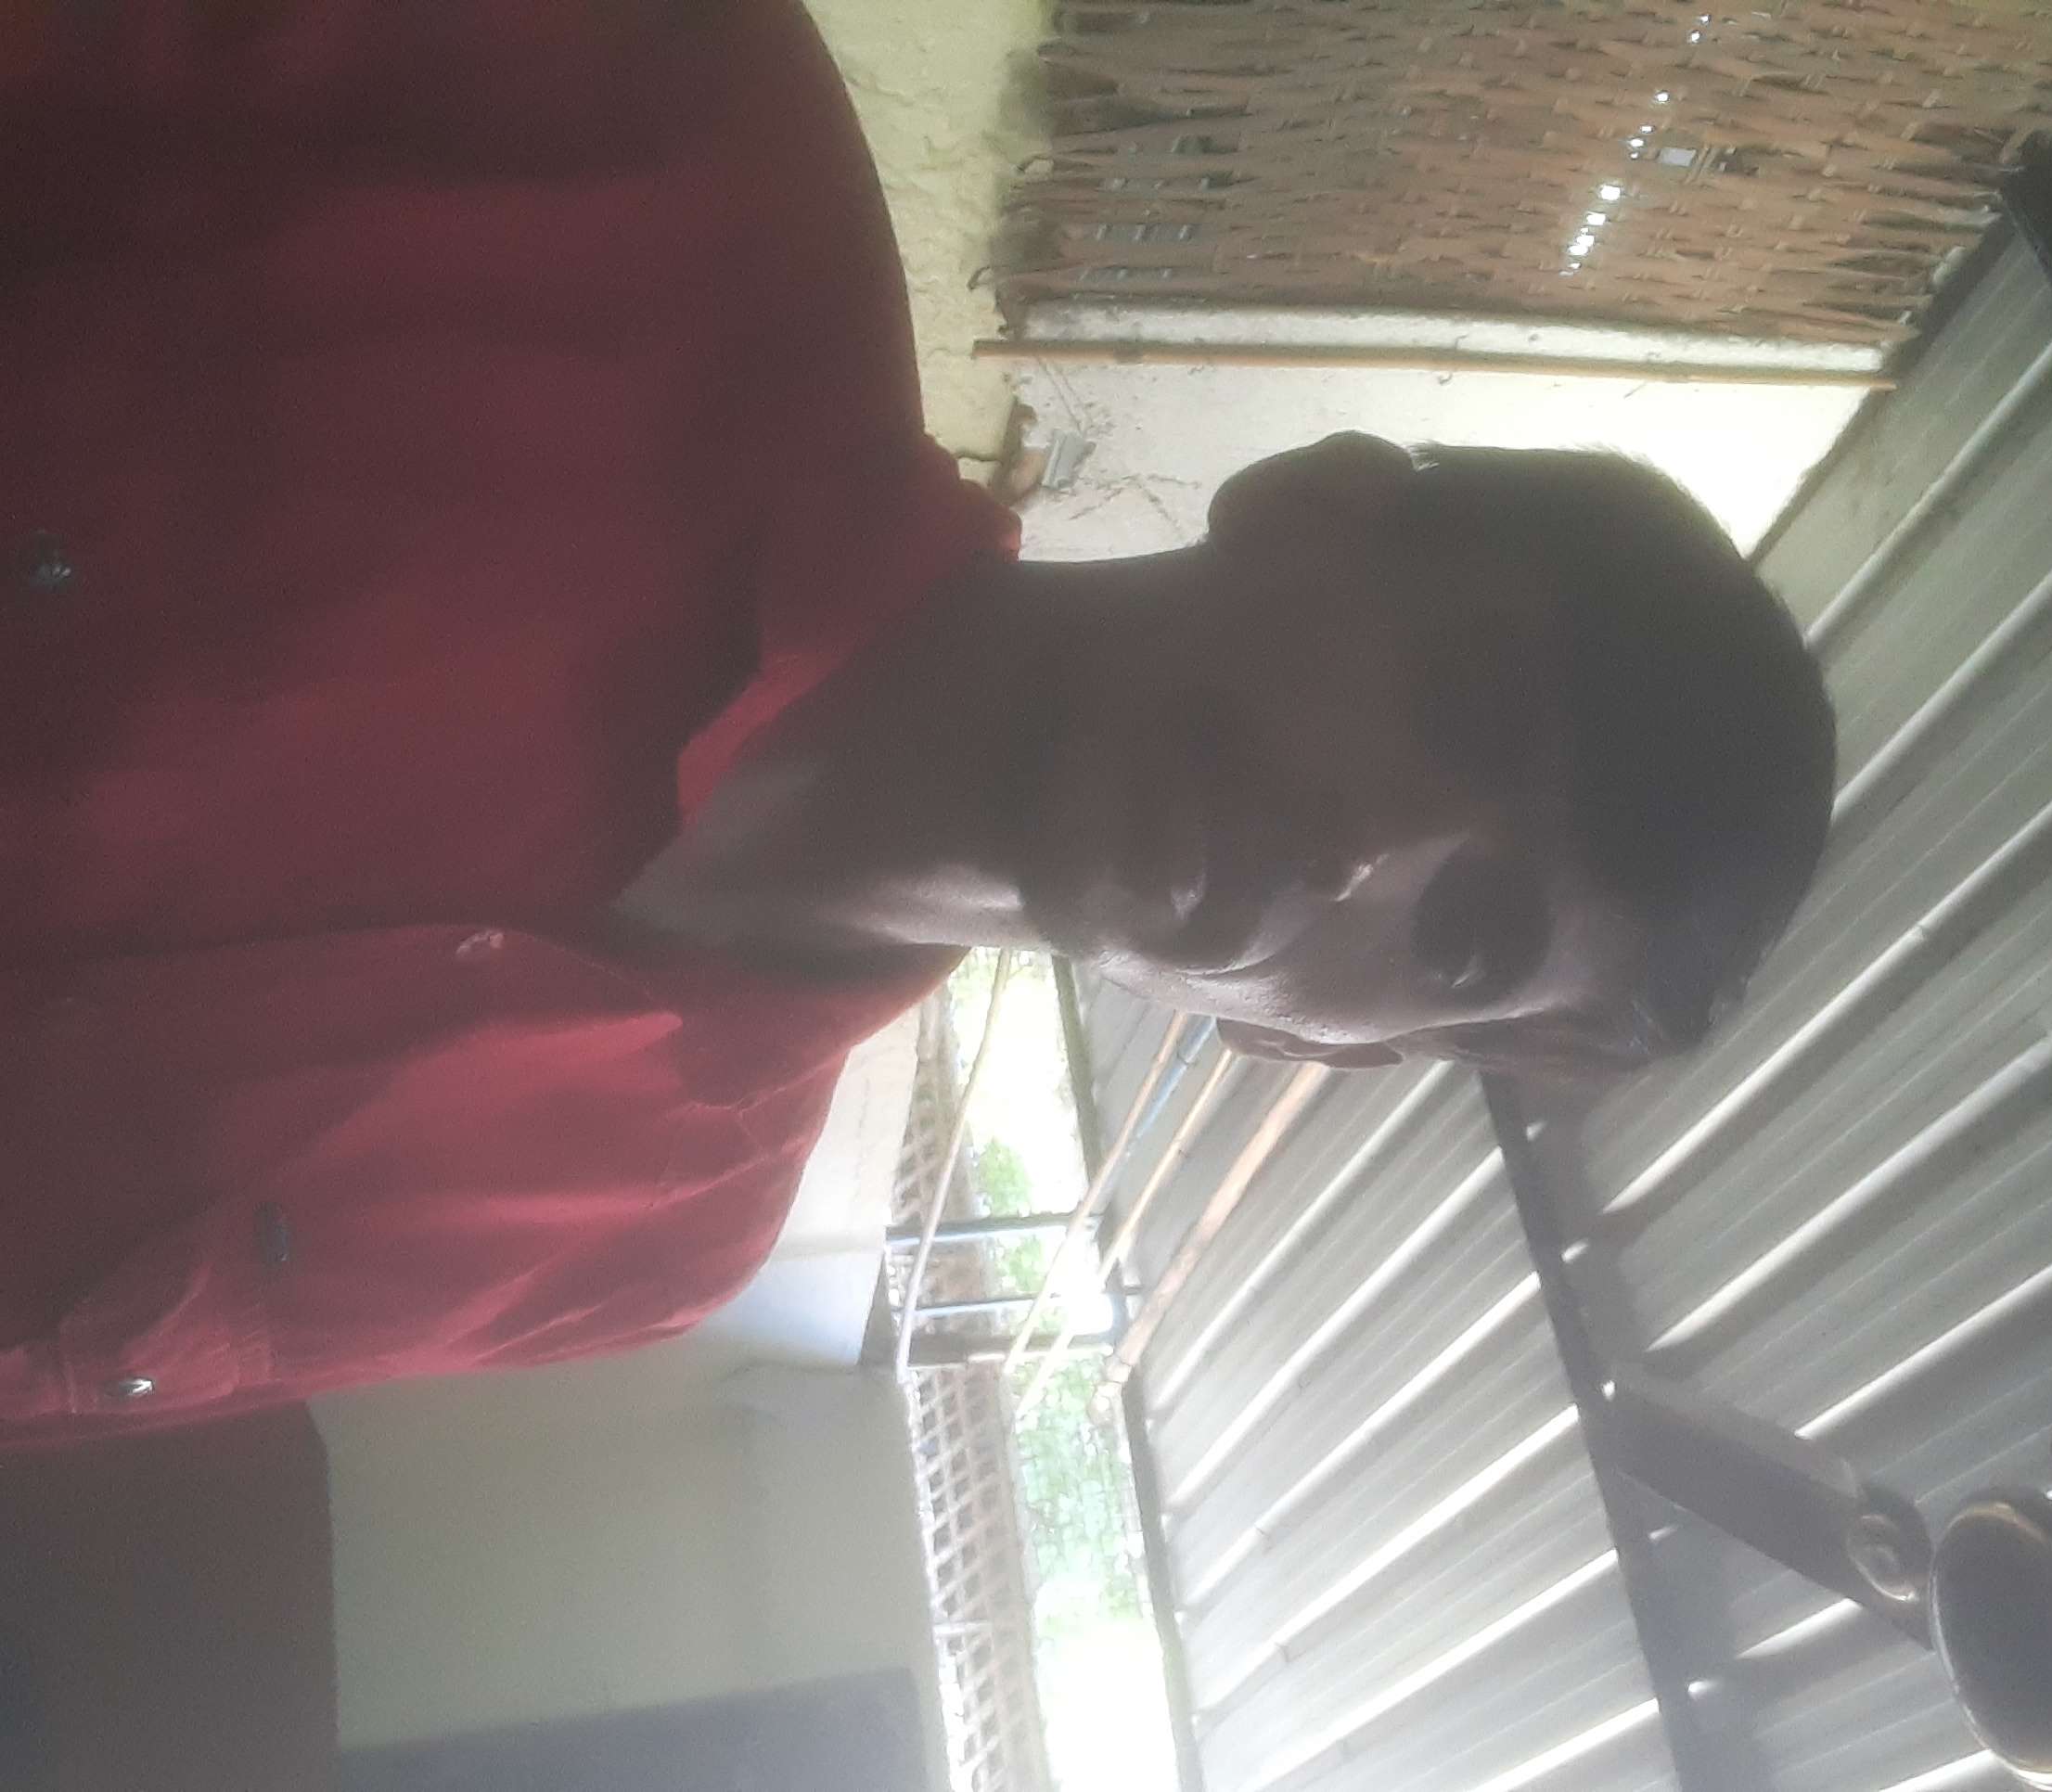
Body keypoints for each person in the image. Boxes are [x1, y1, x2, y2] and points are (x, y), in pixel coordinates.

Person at [0, 0, 1832, 1447]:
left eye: (1466, 935)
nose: (1367, 853)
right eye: (1464, 704)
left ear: (1325, 1049)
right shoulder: (657, 121)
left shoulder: (639, 1251)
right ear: (1315, 500)